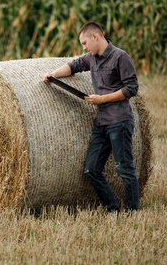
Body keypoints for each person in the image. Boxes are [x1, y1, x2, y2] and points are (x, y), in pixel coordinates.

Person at [42, 22, 139, 214]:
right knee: (91, 170)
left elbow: (132, 88)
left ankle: (132, 212)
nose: (84, 48)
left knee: (124, 169)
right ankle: (113, 210)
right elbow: (73, 66)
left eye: (85, 43)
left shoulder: (120, 57)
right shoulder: (91, 58)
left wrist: (103, 98)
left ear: (95, 36)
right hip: (101, 122)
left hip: (119, 121)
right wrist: (52, 75)